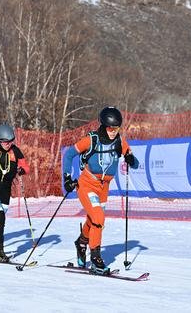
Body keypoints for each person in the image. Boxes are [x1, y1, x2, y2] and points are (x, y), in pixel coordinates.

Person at [62, 106, 138, 274]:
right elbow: (68, 155)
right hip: (88, 183)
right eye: (110, 128)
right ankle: (96, 258)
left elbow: (135, 162)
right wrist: (67, 177)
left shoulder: (119, 141)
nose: (113, 131)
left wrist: (131, 159)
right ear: (104, 125)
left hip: (104, 187)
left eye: (116, 128)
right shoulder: (92, 139)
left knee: (94, 220)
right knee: (98, 217)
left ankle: (81, 243)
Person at [0, 123, 30, 262]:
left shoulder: (15, 151)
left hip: (5, 190)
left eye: (10, 141)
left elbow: (26, 167)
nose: (8, 144)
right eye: (5, 142)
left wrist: (22, 170)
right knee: (0, 215)